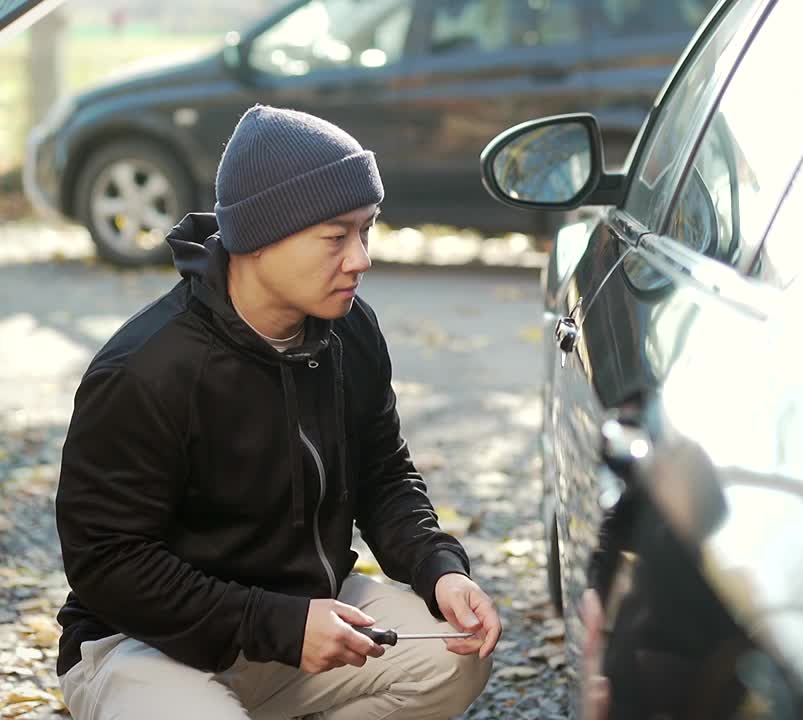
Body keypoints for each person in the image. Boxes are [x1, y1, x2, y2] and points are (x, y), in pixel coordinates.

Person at [53, 105, 500, 719]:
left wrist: (439, 568)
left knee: (457, 658)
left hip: (300, 618)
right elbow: (108, 563)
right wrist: (278, 624)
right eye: (336, 236)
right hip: (142, 645)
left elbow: (384, 475)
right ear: (259, 237)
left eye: (366, 230)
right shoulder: (146, 369)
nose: (361, 258)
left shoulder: (351, 332)